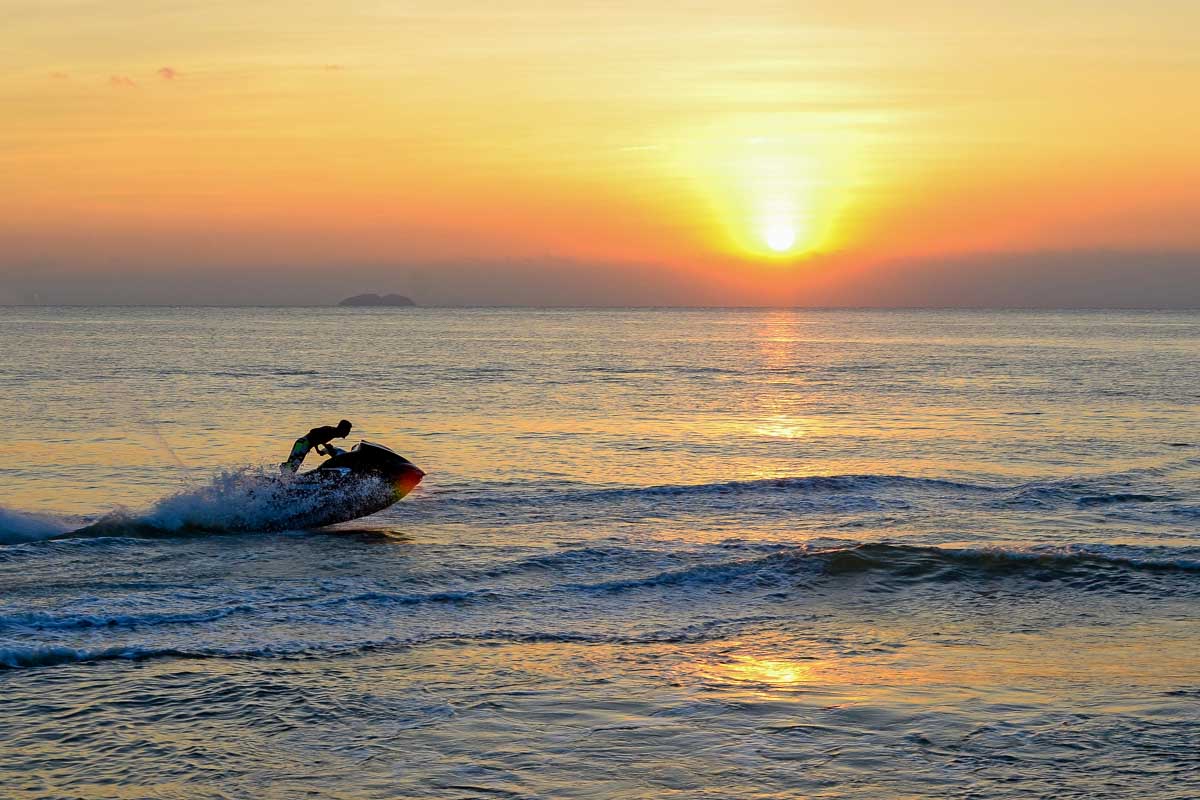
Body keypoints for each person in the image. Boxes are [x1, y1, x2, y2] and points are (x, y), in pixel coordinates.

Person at [280, 419, 353, 473]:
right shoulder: (331, 431)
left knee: (294, 462)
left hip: (302, 443)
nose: (348, 433)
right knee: (294, 463)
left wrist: (324, 446)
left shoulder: (333, 433)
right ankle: (284, 471)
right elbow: (313, 432)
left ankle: (284, 474)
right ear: (343, 429)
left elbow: (319, 439)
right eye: (348, 431)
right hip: (302, 444)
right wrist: (319, 449)